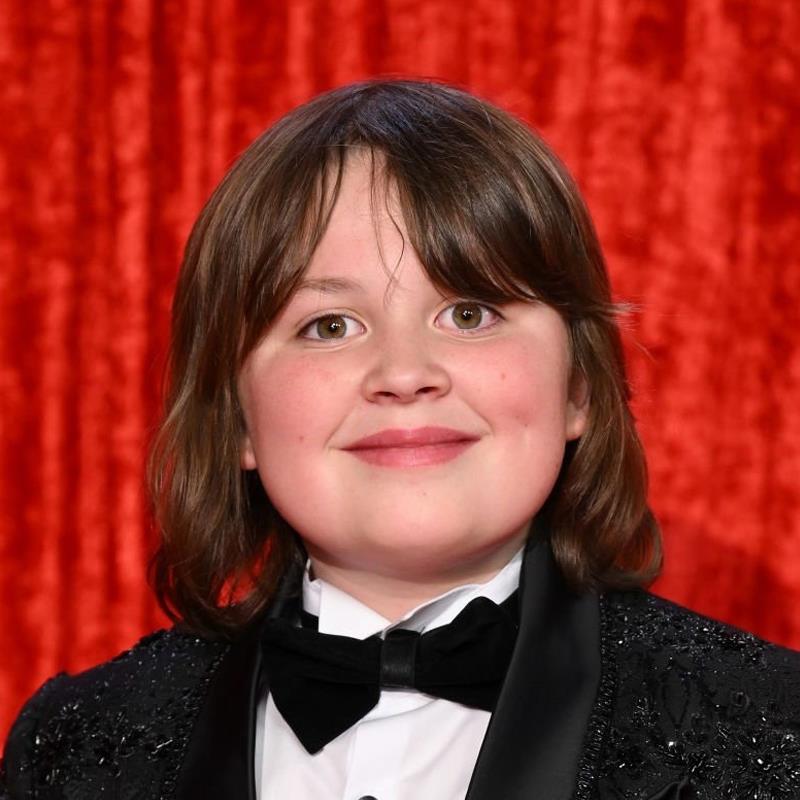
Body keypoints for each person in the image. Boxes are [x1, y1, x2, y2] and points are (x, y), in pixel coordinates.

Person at [1, 79, 798, 800]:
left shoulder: (770, 728)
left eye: (469, 313)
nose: (404, 373)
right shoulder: (69, 751)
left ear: (578, 388)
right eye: (329, 325)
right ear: (238, 416)